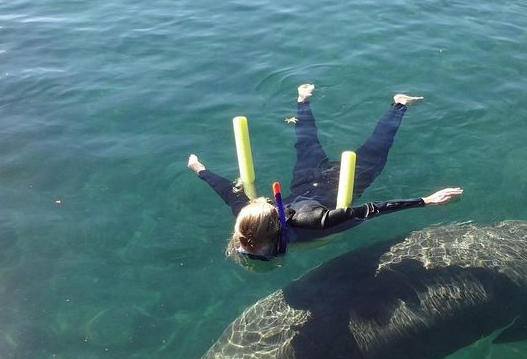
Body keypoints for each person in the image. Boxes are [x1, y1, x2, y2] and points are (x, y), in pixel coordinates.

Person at [187, 84, 463, 261]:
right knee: (305, 143)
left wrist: (425, 201)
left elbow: (369, 210)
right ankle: (302, 99)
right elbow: (228, 193)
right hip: (306, 181)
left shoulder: (315, 222)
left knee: (376, 147)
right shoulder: (246, 219)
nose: (246, 246)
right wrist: (200, 170)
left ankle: (399, 103)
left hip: (344, 181)